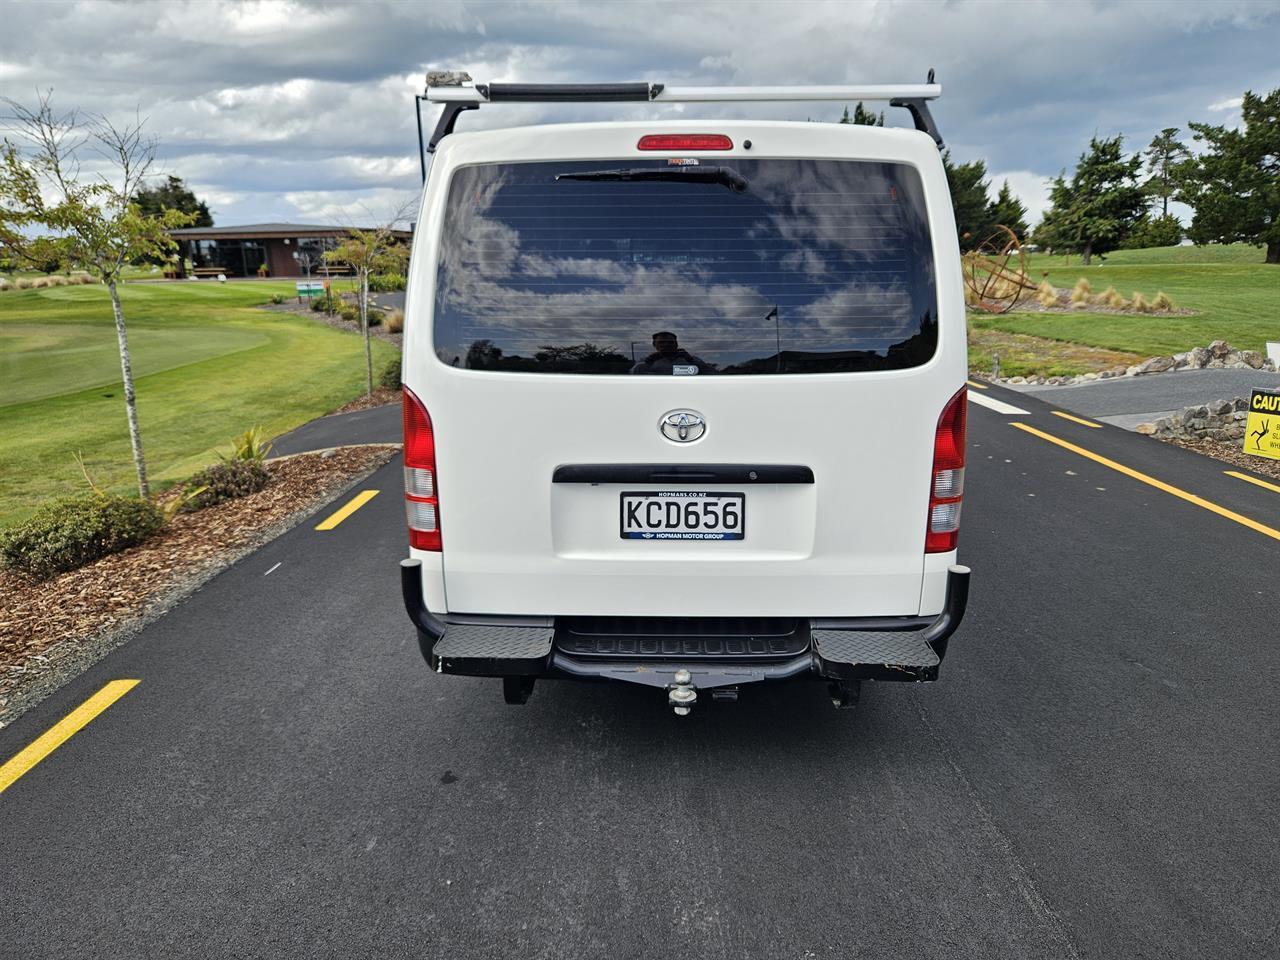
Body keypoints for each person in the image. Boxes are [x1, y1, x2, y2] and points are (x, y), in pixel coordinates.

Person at [630, 331, 713, 375]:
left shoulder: (691, 360)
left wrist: (690, 360)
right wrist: (648, 362)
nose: (666, 345)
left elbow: (710, 373)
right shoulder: (645, 361)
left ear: (676, 345)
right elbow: (633, 374)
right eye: (662, 342)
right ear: (654, 345)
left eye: (670, 342)